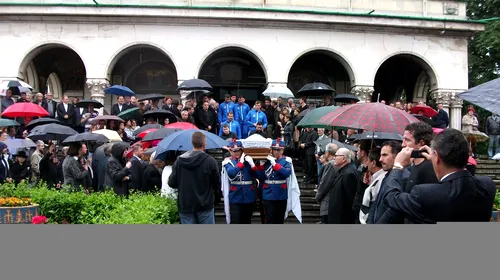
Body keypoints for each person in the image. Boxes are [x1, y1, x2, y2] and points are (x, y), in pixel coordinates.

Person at [377, 129, 497, 223]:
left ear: (438, 157)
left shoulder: (424, 194)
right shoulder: (487, 185)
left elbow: (391, 197)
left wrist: (397, 166)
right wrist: (436, 159)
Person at [168, 131, 222, 224]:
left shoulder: (179, 161)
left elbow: (171, 183)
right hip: (205, 205)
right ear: (204, 143)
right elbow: (217, 184)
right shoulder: (210, 161)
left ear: (192, 143)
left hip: (185, 204)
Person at [254, 138, 296, 224]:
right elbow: (260, 177)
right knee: (269, 218)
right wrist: (261, 166)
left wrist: (275, 164)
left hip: (281, 194)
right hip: (268, 194)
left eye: (279, 150)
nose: (277, 152)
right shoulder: (267, 161)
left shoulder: (285, 161)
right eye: (275, 150)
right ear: (271, 150)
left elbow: (287, 173)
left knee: (279, 219)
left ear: (283, 150)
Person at [220, 140, 258, 224]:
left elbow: (257, 175)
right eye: (234, 151)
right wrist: (241, 163)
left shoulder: (247, 161)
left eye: (238, 150)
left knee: (247, 221)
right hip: (235, 196)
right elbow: (231, 173)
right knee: (235, 221)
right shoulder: (228, 162)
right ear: (230, 151)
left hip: (248, 196)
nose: (237, 153)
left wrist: (253, 165)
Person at [327, 147, 361, 224]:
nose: (334, 157)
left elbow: (351, 200)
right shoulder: (344, 171)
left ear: (343, 158)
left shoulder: (349, 174)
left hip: (342, 219)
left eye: (336, 155)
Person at [359, 148, 386, 224]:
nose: (367, 163)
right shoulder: (374, 177)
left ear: (373, 163)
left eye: (368, 160)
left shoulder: (381, 180)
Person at [315, 143, 338, 224]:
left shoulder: (331, 164)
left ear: (327, 153)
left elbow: (325, 183)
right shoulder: (336, 163)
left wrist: (318, 196)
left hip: (328, 201)